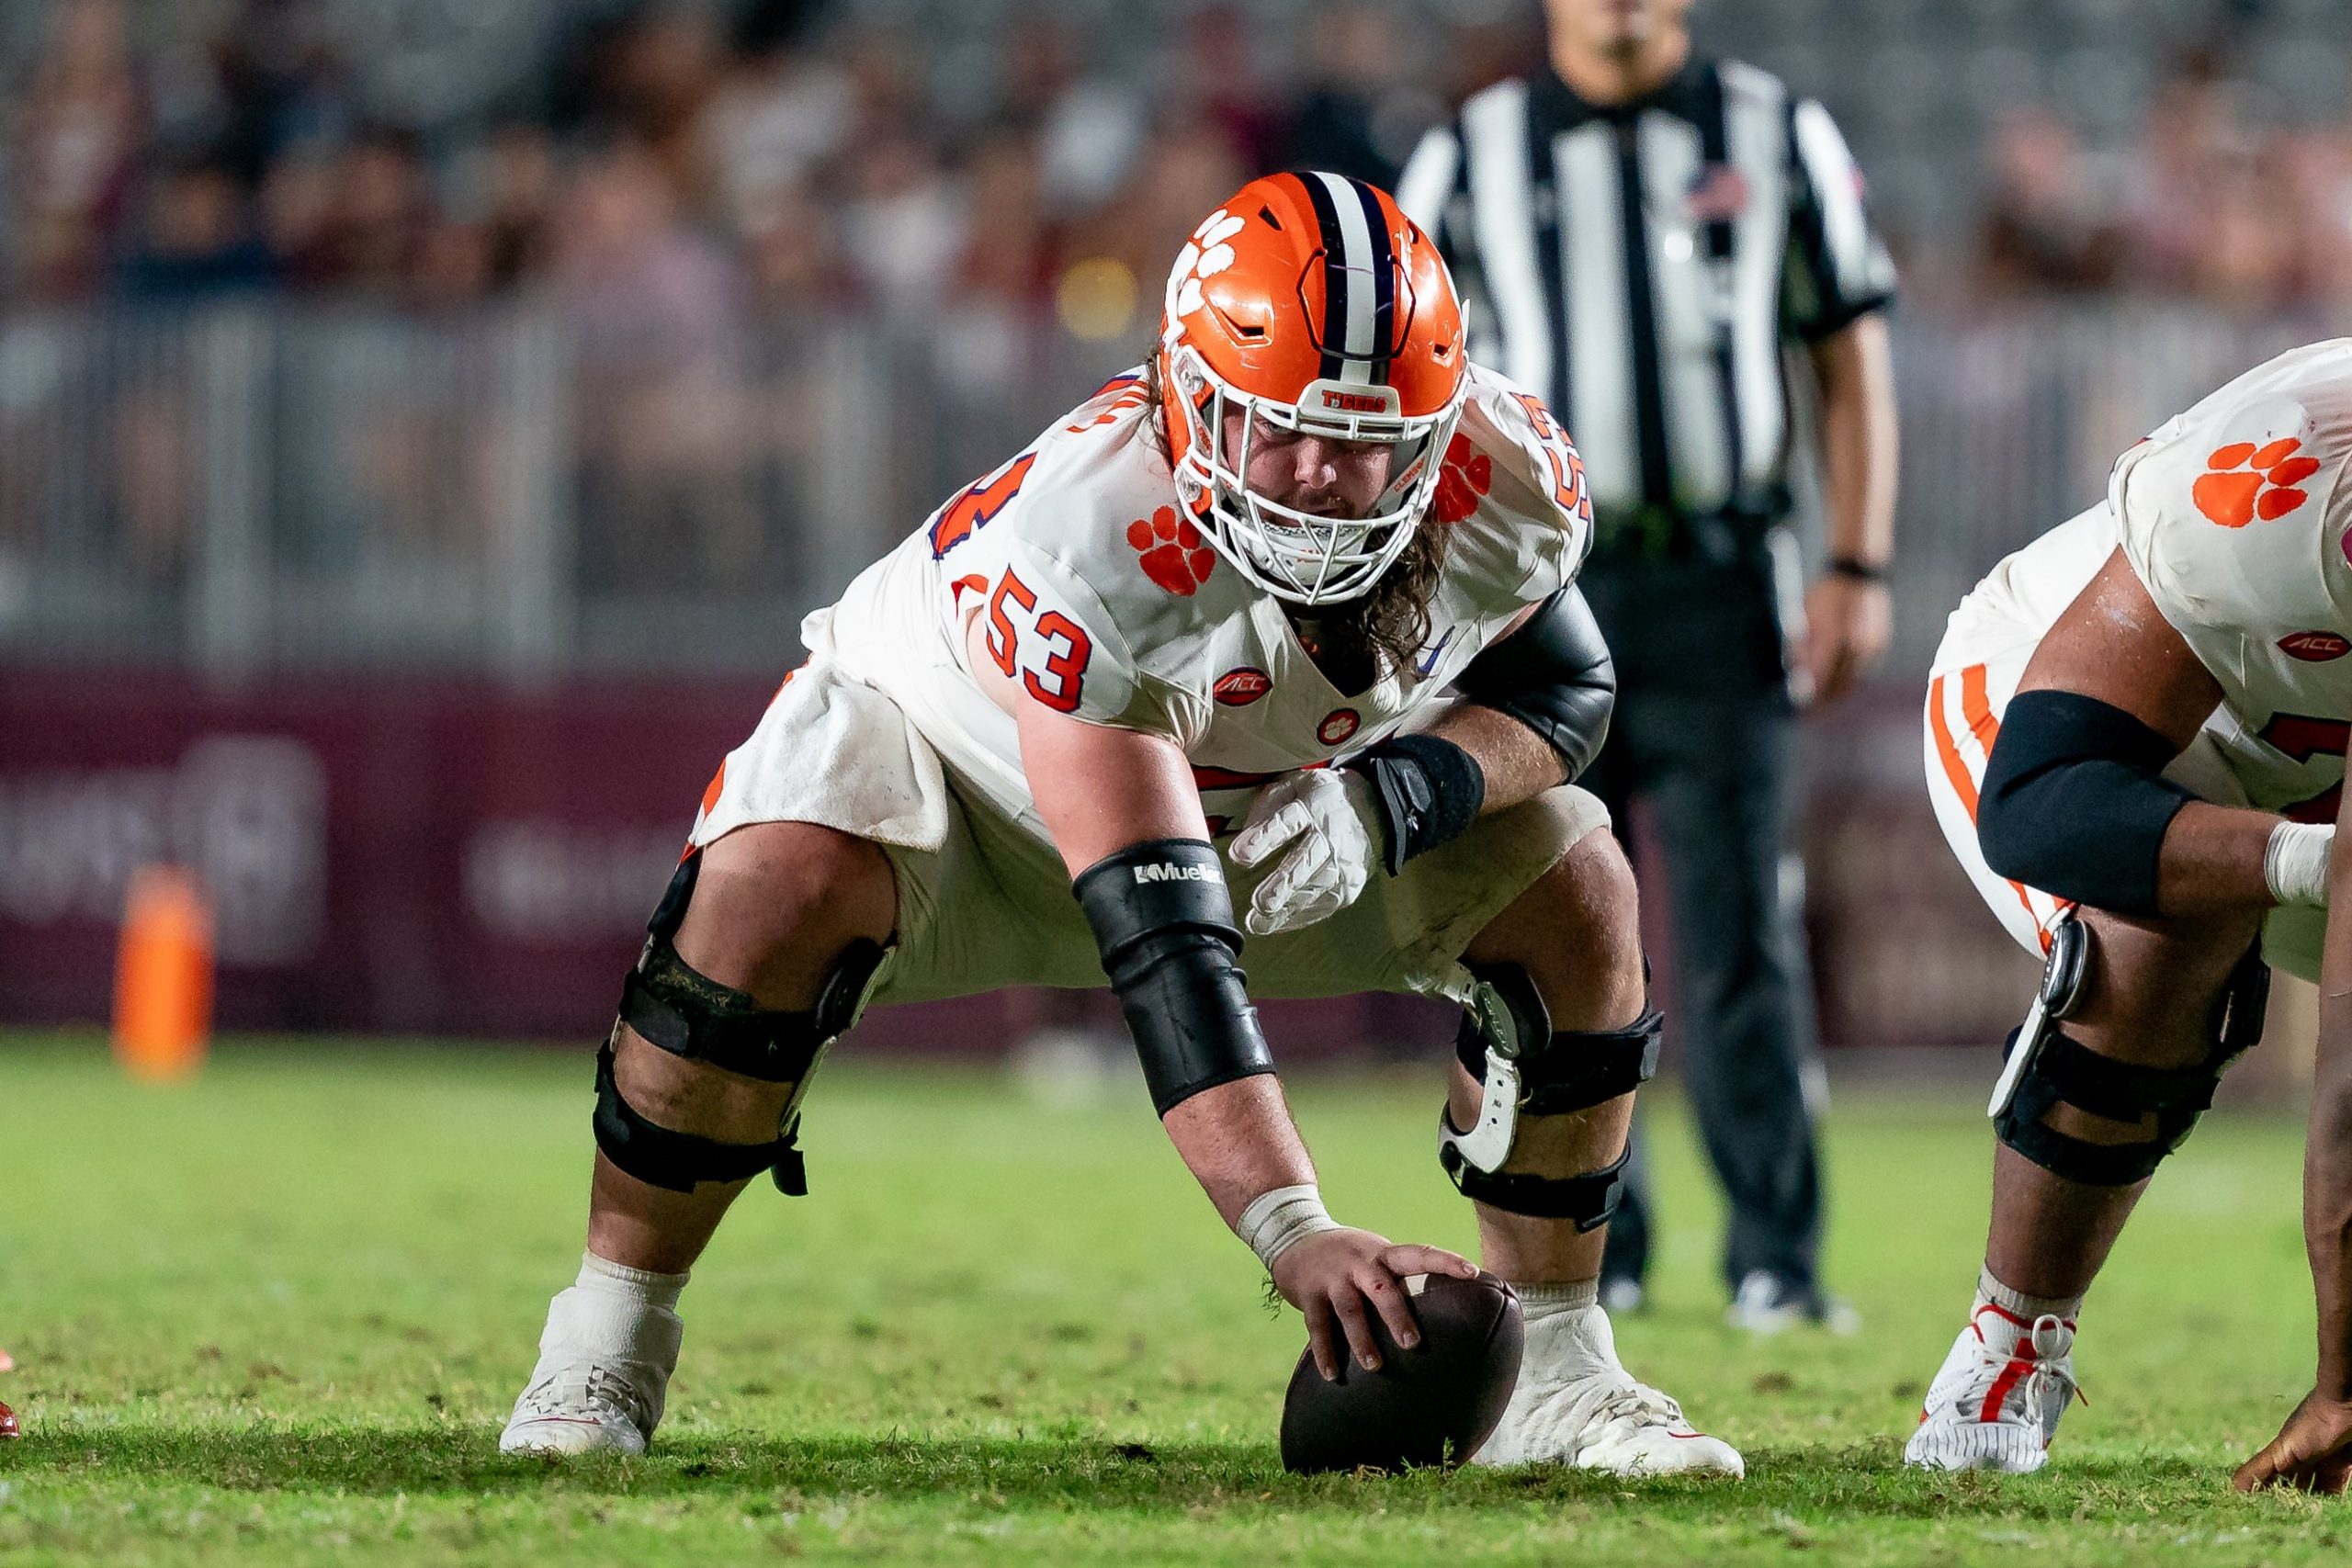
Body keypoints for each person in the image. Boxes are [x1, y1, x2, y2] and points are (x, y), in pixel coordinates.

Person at [499, 170, 1742, 1478]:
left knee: (1577, 876)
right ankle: (605, 1333)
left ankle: (1556, 1361)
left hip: (1264, 822)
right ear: (1188, 399)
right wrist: (1294, 1229)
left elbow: (1566, 691)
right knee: (763, 889)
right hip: (962, 791)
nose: (1323, 479)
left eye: (1366, 441)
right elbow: (1166, 947)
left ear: (1437, 434)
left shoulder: (1500, 478)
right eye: (1280, 431)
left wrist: (1389, 803)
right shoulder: (1090, 539)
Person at [1397, 0, 1899, 1330]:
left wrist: (1859, 562)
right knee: (1549, 915)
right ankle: (1595, 1238)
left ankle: (1776, 1256)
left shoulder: (1774, 132)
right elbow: (1406, 387)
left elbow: (1846, 351)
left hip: (1725, 578)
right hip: (1544, 591)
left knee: (1743, 930)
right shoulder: (1465, 153)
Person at [1911, 340, 2352, 1487]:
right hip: (2060, 713)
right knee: (2164, 922)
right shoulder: (2278, 487)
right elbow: (2042, 802)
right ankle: (2008, 1351)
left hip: (2315, 773)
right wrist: (2312, 863)